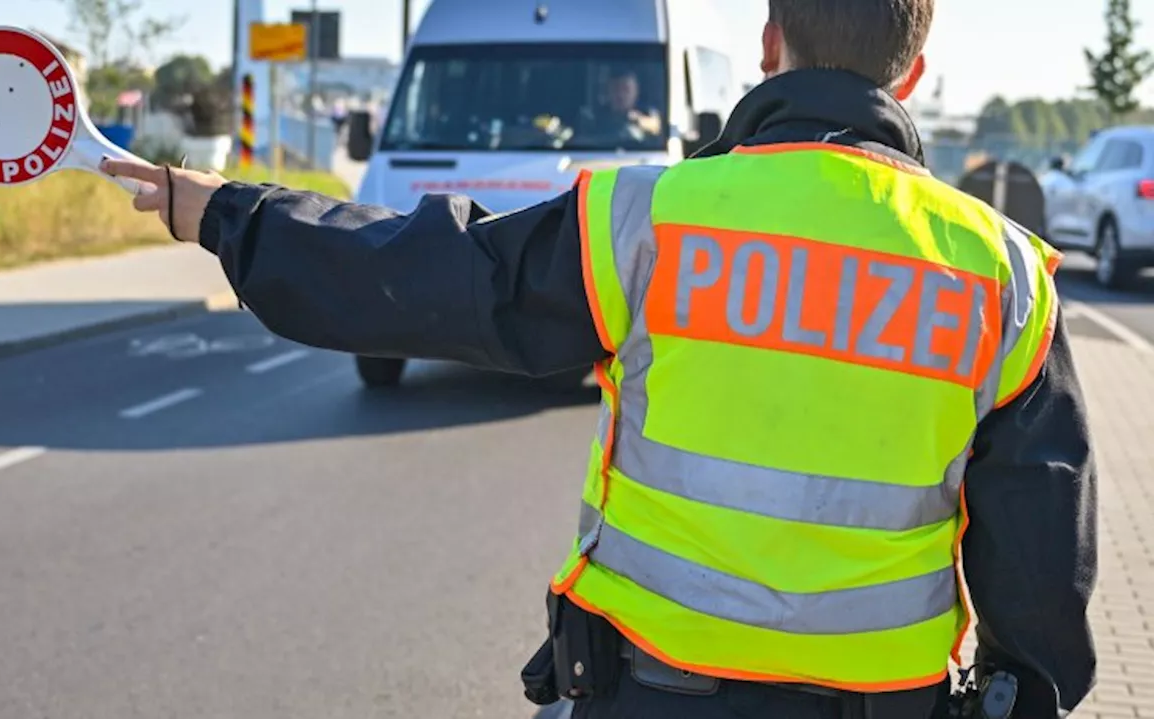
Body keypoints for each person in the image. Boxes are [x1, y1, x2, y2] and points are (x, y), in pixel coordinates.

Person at [102, 0, 1098, 716]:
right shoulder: (1003, 274)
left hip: (651, 690)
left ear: (767, 42)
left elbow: (425, 275)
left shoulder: (645, 217)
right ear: (910, 71)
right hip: (885, 700)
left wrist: (226, 213)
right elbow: (1039, 566)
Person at [588, 70, 662, 140]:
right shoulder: (594, 118)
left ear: (636, 92)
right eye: (615, 89)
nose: (620, 95)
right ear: (608, 91)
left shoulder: (648, 115)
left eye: (626, 89)